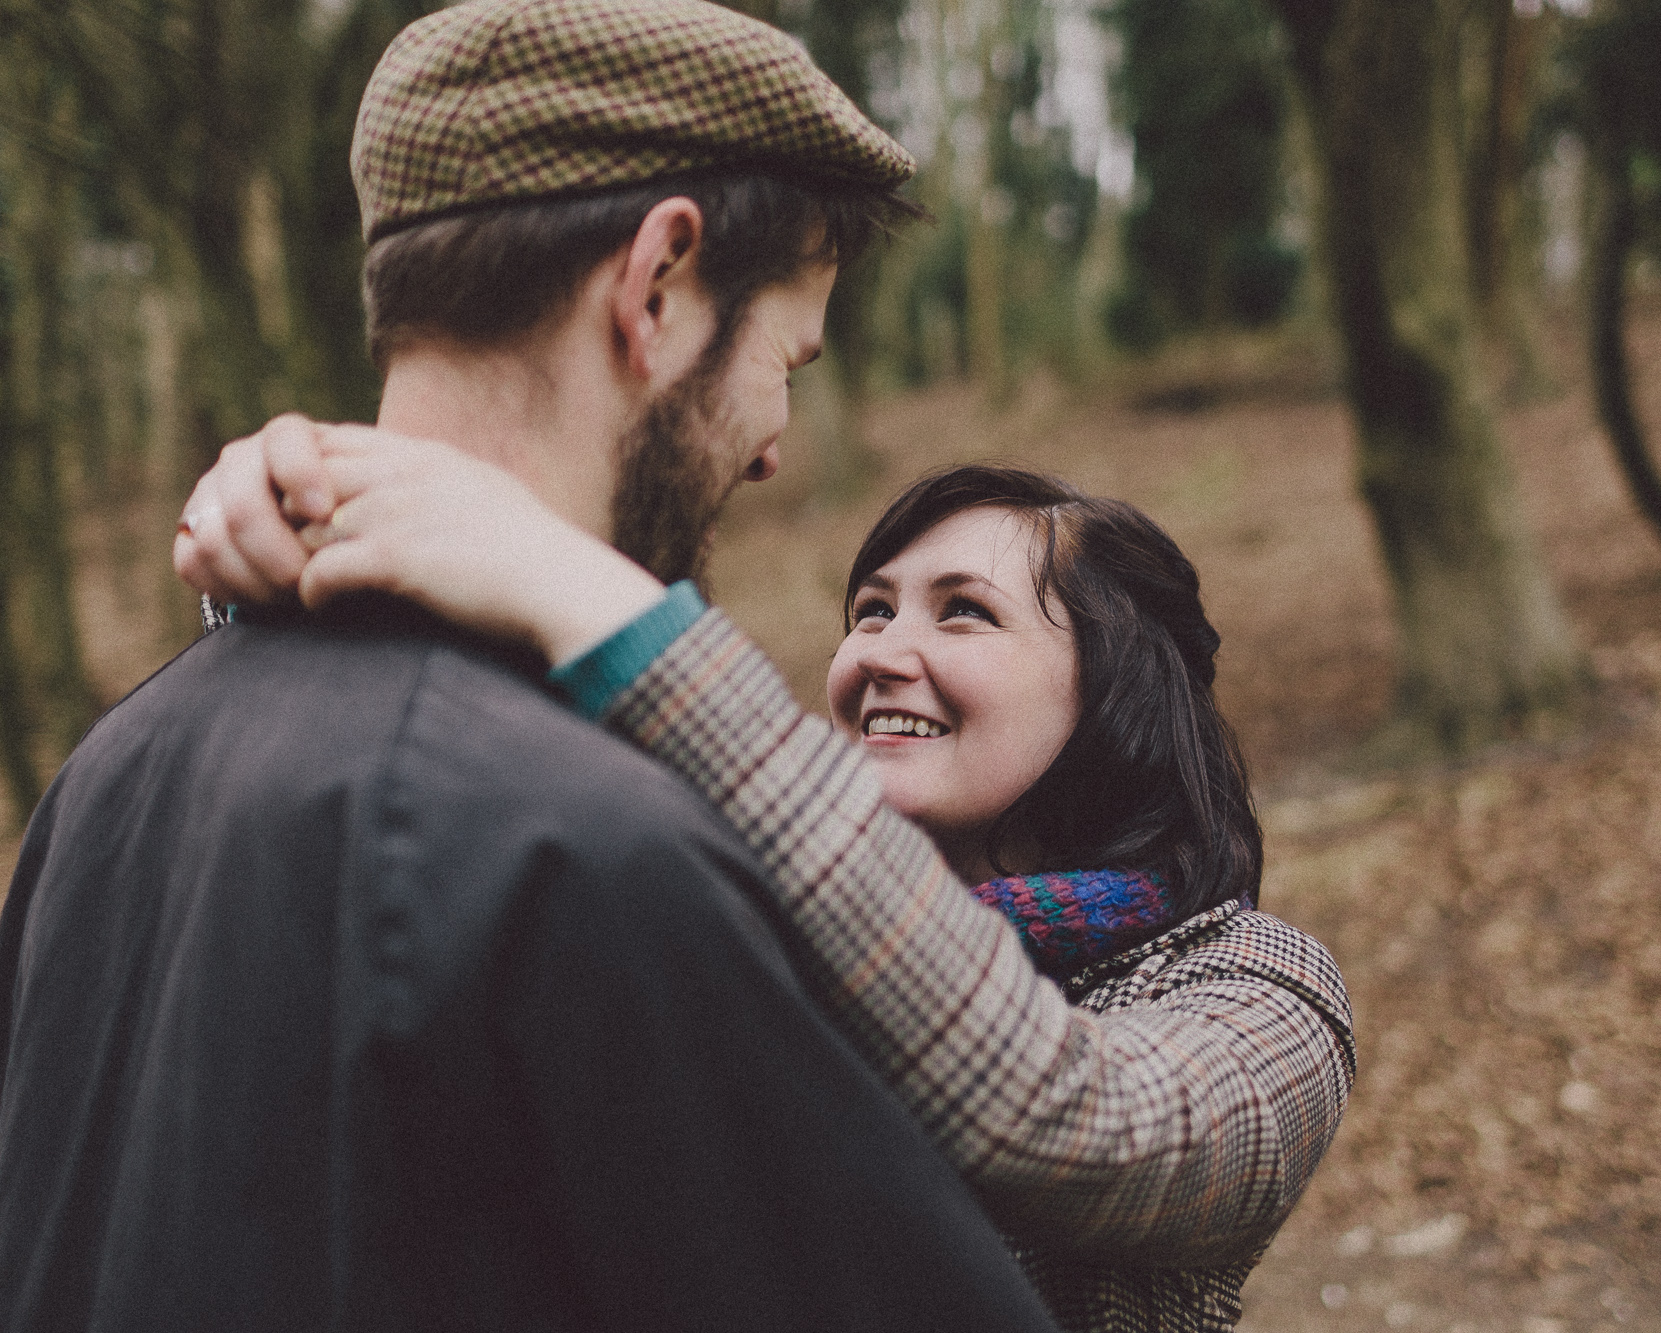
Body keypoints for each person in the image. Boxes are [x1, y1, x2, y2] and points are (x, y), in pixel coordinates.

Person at [0, 3, 1065, 1330]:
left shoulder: (109, 774)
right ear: (657, 283)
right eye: (785, 357)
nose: (774, 444)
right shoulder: (591, 850)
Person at [182, 426, 1358, 1329]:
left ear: (1115, 687)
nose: (880, 654)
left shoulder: (1258, 990)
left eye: (964, 614)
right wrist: (288, 537)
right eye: (868, 610)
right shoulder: (722, 901)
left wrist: (615, 613)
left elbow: (1081, 1126)